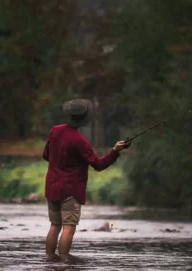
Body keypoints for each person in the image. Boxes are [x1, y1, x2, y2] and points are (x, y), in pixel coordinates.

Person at [42, 99, 131, 263]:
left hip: (52, 187)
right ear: (84, 119)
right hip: (70, 191)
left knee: (55, 226)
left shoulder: (55, 130)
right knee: (68, 227)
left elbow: (46, 155)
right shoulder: (80, 141)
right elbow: (98, 164)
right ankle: (64, 262)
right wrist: (115, 150)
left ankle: (49, 261)